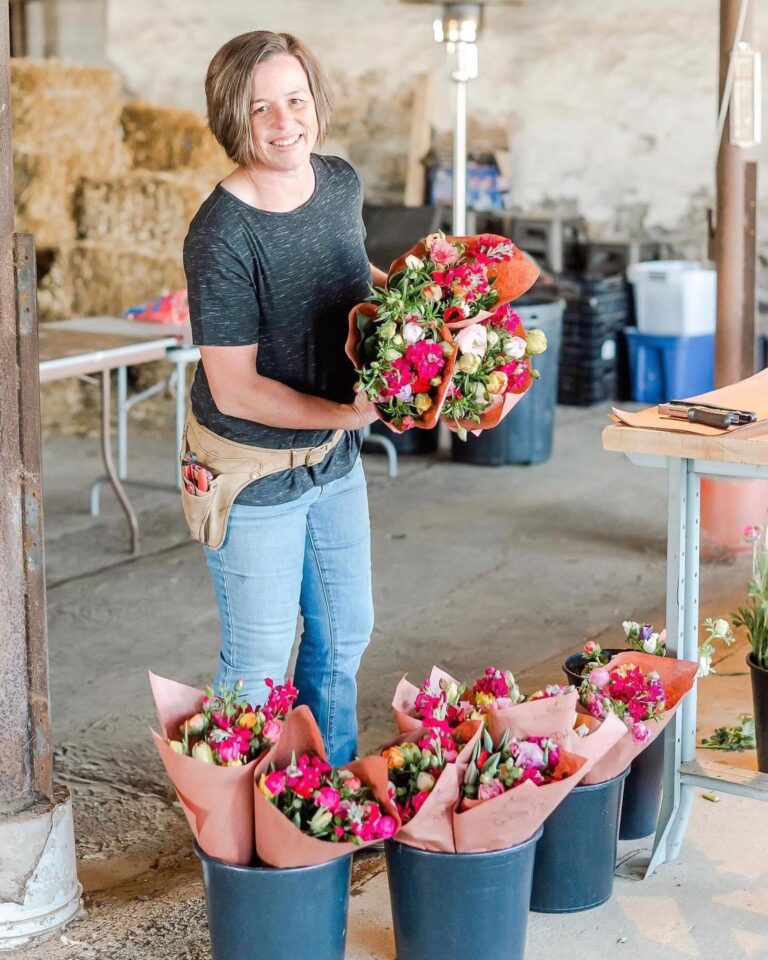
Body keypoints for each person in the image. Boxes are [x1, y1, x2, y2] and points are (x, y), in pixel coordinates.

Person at [183, 31, 387, 766]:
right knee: (258, 663)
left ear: (315, 102)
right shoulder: (222, 233)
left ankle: (324, 802)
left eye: (295, 99)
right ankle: (238, 839)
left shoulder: (338, 183)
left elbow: (351, 271)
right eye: (260, 107)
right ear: (233, 119)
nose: (283, 122)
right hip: (252, 472)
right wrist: (346, 413)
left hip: (331, 459)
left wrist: (424, 314)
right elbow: (235, 388)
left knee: (343, 636)